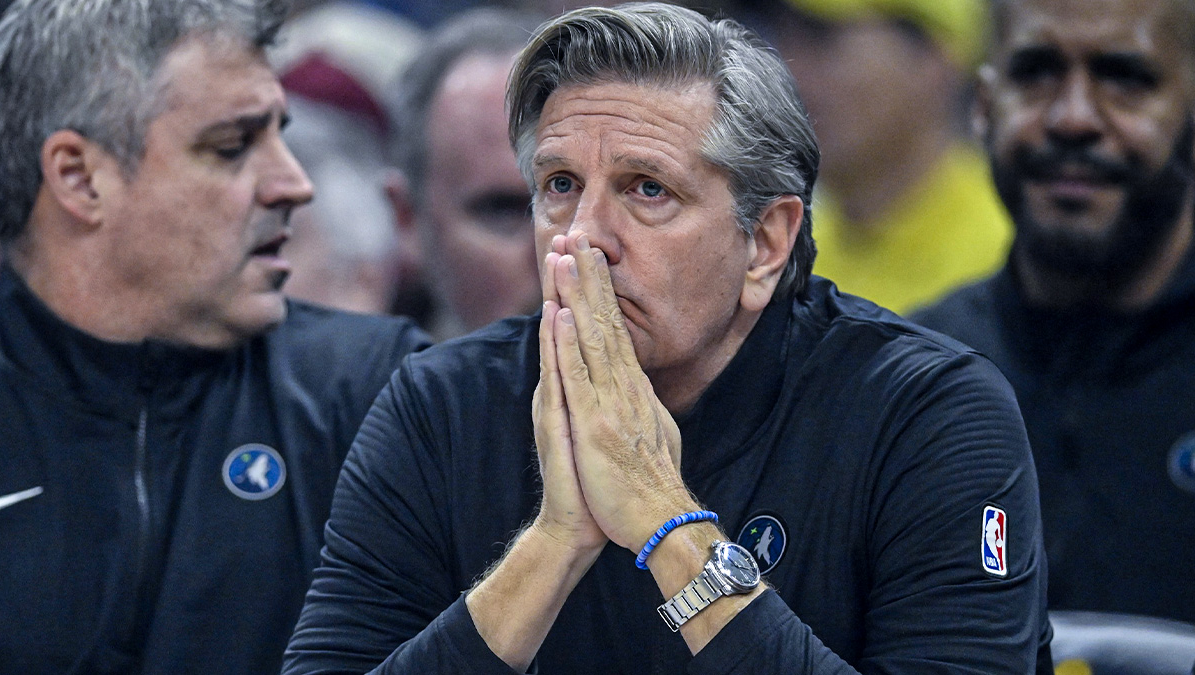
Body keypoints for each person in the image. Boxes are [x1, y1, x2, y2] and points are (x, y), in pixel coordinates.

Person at [284, 4, 1052, 673]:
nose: (581, 237)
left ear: (767, 243)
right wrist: (552, 543)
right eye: (559, 186)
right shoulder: (440, 405)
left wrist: (662, 518)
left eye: (647, 189)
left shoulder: (929, 414)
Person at [0, 1, 430, 672]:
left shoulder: (384, 391)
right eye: (232, 146)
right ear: (79, 177)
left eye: (281, 135)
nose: (295, 183)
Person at [914, 0, 1195, 623]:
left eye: (1126, 78)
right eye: (1035, 73)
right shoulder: (910, 376)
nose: (1072, 119)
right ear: (984, 106)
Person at [757, 0, 1012, 314]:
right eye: (781, 37)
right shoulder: (779, 250)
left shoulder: (1009, 258)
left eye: (822, 39)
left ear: (934, 61)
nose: (789, 73)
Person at [384, 9, 543, 340]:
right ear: (408, 218)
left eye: (573, 196)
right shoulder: (357, 388)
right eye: (505, 211)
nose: (561, 254)